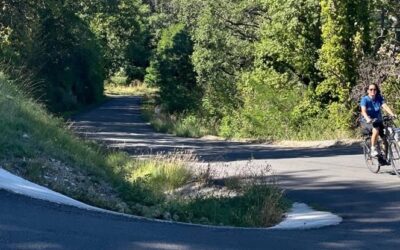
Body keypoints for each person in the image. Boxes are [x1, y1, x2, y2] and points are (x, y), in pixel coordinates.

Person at [360, 83, 396, 157]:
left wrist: (392, 114)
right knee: (376, 130)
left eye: (375, 89)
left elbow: (385, 106)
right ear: (367, 91)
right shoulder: (365, 99)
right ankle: (373, 149)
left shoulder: (379, 98)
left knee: (385, 137)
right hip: (367, 120)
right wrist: (367, 118)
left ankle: (384, 157)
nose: (373, 91)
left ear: (376, 90)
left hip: (377, 120)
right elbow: (363, 111)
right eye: (371, 89)